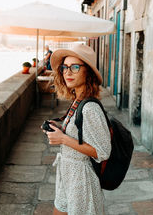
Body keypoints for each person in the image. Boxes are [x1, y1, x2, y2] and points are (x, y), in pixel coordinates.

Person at [42, 44, 111, 215]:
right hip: (68, 174)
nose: (67, 72)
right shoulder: (78, 100)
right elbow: (80, 134)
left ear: (87, 72)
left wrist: (63, 139)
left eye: (75, 67)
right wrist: (60, 130)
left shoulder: (90, 108)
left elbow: (102, 152)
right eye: (65, 67)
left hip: (82, 180)